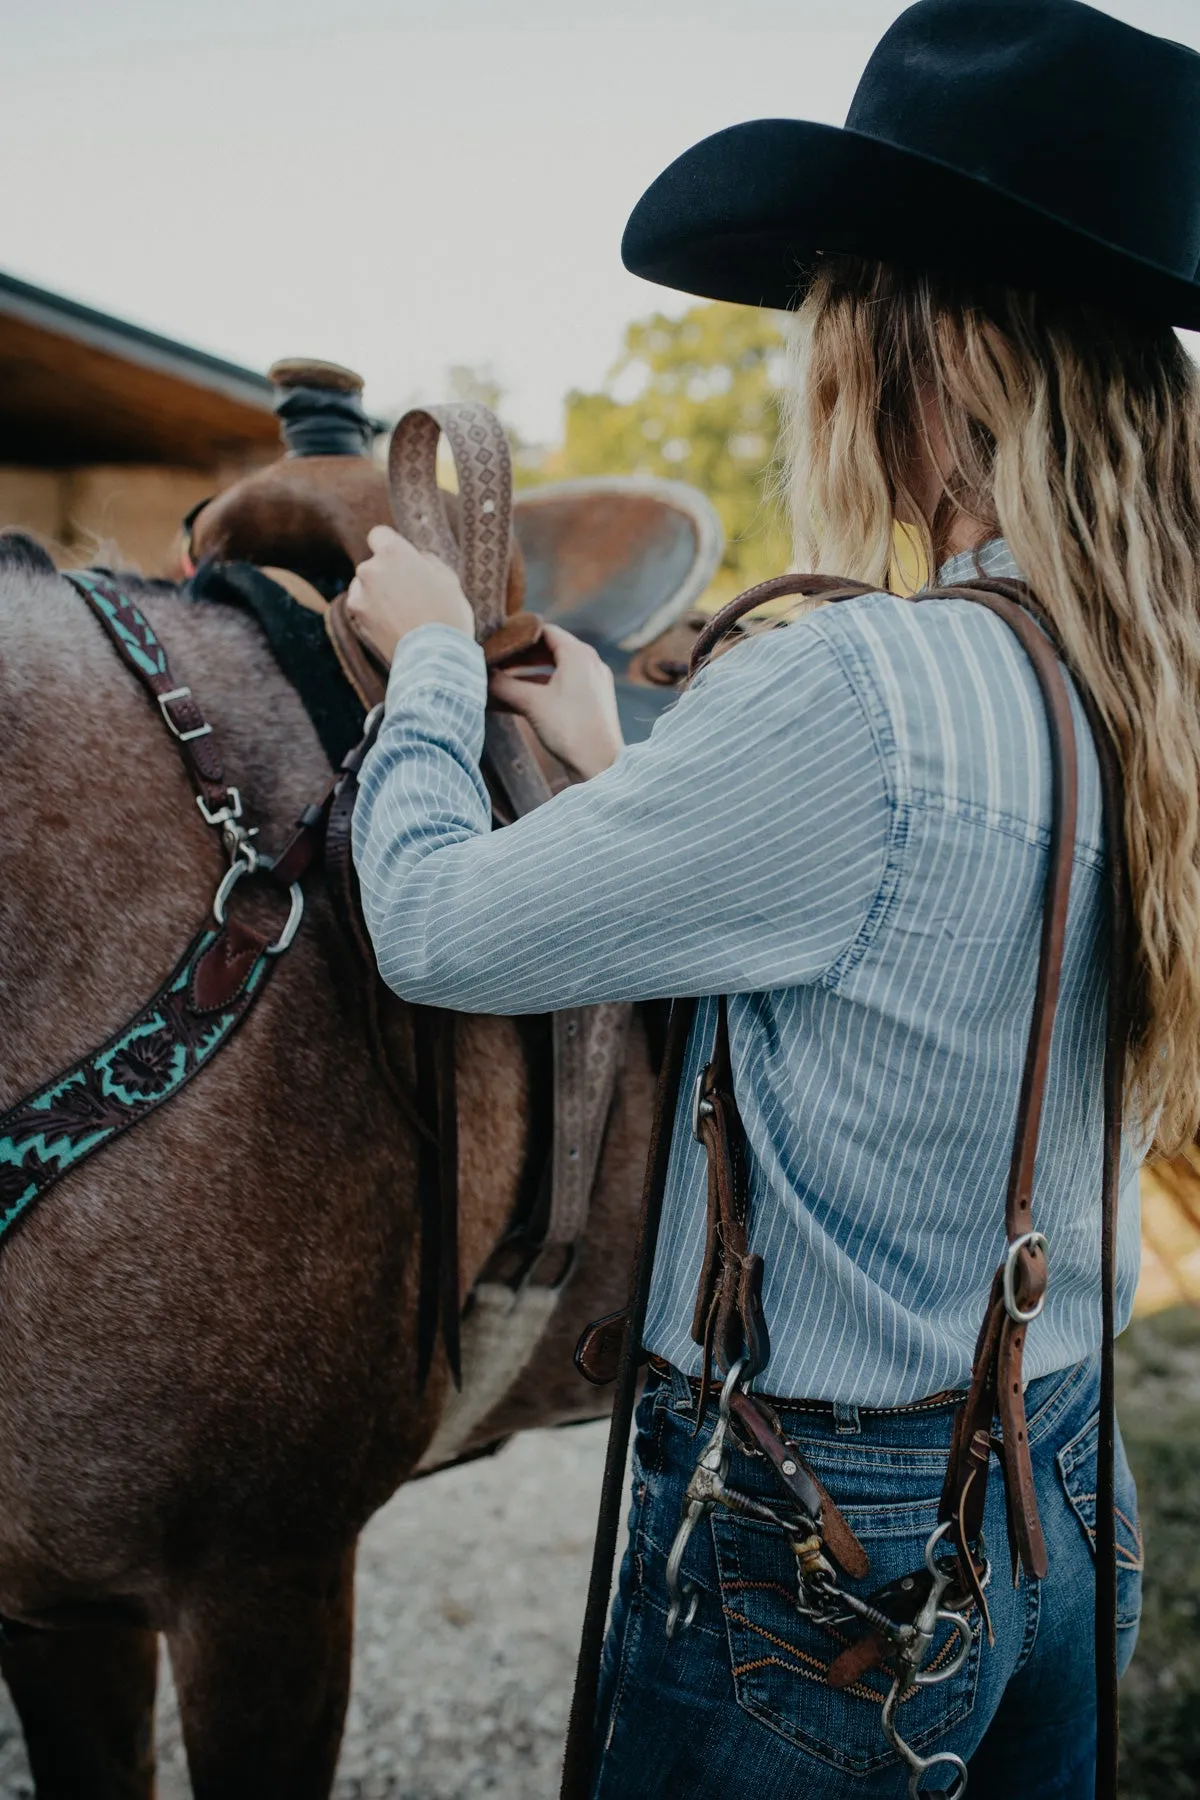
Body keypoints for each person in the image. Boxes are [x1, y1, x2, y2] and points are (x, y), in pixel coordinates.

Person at [345, 2, 1200, 1793]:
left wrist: (431, 662)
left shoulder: (858, 693)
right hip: (1061, 1472)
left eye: (836, 313)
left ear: (933, 355)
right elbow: (898, 927)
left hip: (823, 1539)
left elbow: (431, 927)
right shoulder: (1152, 691)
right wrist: (630, 764)